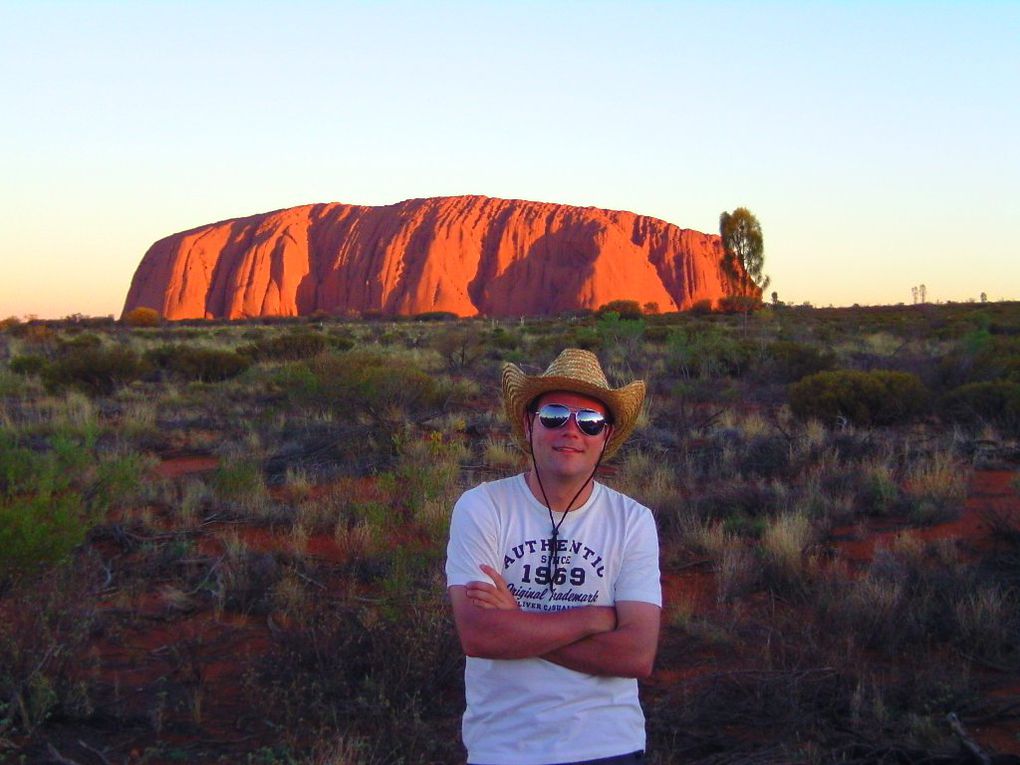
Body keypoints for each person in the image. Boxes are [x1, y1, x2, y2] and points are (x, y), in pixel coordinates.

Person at [446, 348, 662, 765]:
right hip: (504, 748)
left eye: (590, 421)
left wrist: (519, 623)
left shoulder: (633, 521)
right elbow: (481, 636)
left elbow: (635, 655)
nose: (571, 430)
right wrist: (594, 618)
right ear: (529, 424)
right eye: (554, 415)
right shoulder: (482, 508)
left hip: (607, 746)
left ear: (606, 435)